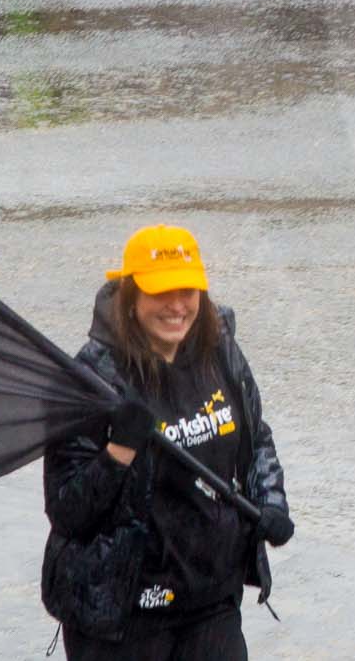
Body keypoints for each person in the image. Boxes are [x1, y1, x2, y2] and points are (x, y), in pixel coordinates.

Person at [41, 225, 291, 660]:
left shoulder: (222, 352)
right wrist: (118, 452)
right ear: (131, 297)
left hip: (211, 595)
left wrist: (270, 500)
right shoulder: (91, 380)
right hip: (125, 611)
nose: (177, 306)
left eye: (188, 291)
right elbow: (68, 511)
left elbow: (256, 438)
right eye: (161, 292)